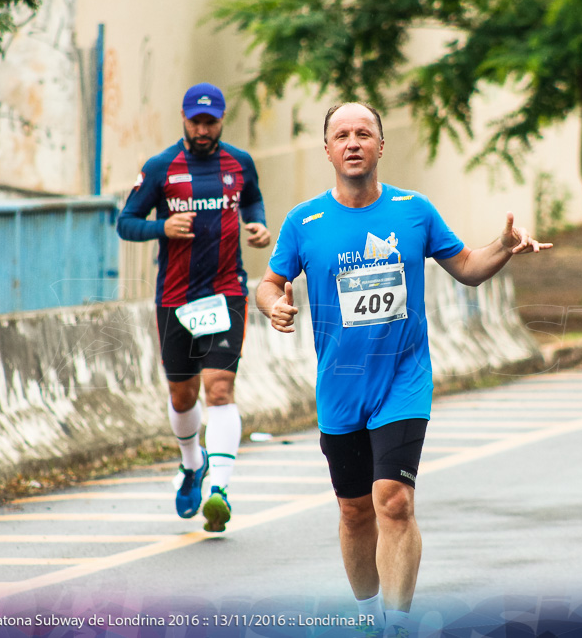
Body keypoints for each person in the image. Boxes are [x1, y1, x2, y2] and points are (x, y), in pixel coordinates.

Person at [255, 102, 551, 634]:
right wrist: (272, 302)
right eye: (341, 135)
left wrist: (503, 246)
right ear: (327, 150)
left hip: (403, 380)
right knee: (354, 513)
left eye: (363, 133)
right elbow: (270, 281)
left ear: (380, 146)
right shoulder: (304, 221)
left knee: (393, 501)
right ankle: (370, 619)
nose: (352, 143)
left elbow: (466, 267)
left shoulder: (414, 211)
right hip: (340, 387)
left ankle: (396, 624)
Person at [117, 82, 270, 533]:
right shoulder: (161, 167)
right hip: (176, 297)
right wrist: (162, 226)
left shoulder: (238, 163)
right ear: (183, 119)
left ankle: (219, 490)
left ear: (222, 120)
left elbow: (253, 198)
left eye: (212, 121)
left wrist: (256, 224)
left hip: (227, 292)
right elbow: (126, 224)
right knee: (182, 396)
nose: (203, 129)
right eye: (195, 121)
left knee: (219, 388)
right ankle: (192, 465)